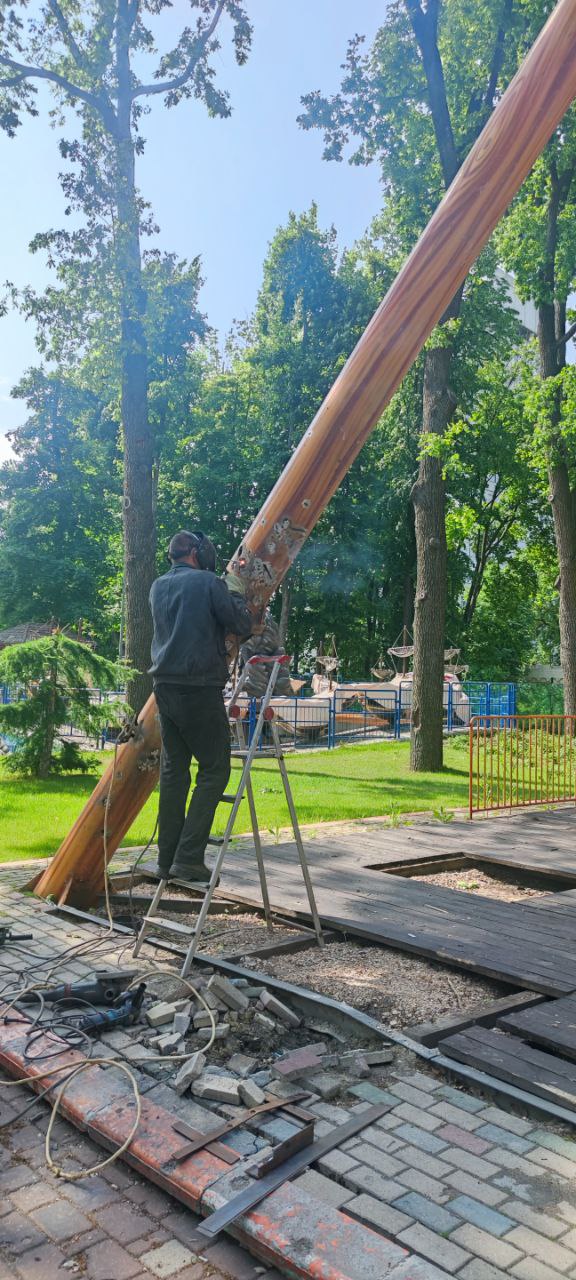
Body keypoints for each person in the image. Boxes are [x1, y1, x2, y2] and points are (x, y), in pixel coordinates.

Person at [149, 529, 253, 882]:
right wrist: (235, 588)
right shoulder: (209, 583)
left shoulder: (158, 585)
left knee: (174, 773)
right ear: (195, 553)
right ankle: (189, 858)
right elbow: (241, 624)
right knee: (215, 769)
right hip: (198, 687)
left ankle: (166, 861)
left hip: (164, 687)